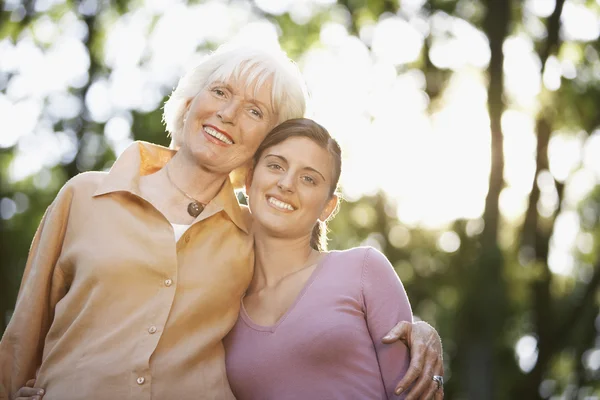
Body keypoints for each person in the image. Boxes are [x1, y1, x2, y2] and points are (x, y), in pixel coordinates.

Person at [2, 43, 443, 400]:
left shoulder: (254, 233)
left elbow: (317, 293)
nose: (228, 114)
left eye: (255, 112)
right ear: (191, 101)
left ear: (266, 143)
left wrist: (422, 333)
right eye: (220, 92)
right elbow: (22, 339)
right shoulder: (85, 196)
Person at [223, 118, 442, 399]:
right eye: (276, 165)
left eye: (309, 179)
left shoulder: (363, 270)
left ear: (327, 207)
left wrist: (426, 335)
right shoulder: (224, 305)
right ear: (250, 179)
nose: (286, 183)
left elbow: (414, 391)